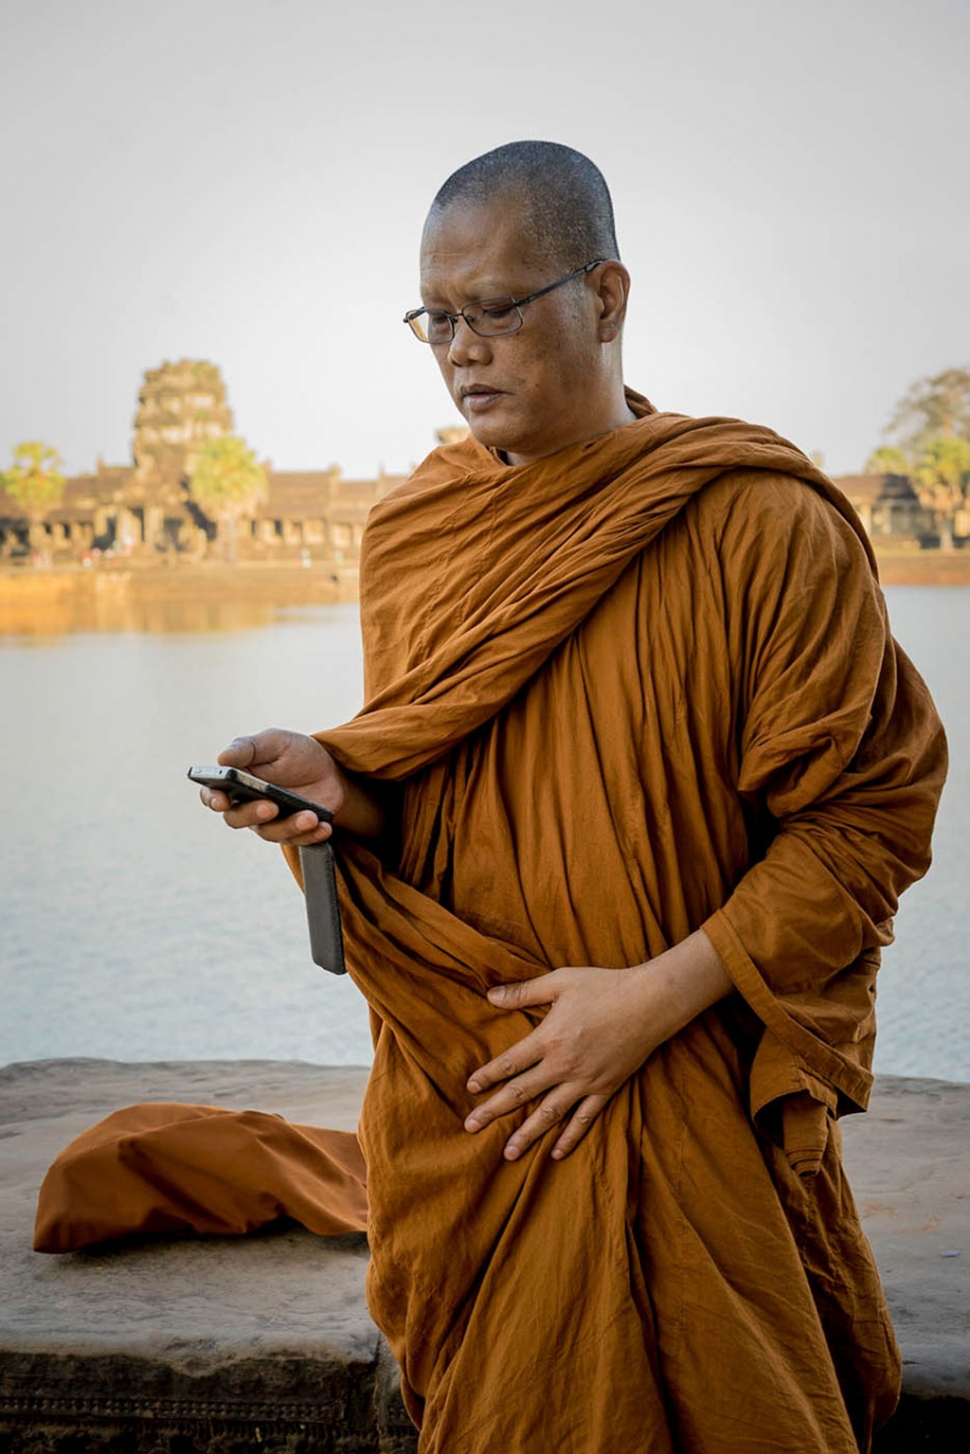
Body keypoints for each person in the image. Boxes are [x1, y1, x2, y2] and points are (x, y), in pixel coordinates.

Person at [199, 142, 946, 1453]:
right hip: (482, 1113)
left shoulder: (761, 523)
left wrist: (646, 999)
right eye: (436, 317)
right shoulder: (415, 537)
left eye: (497, 308)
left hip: (683, 1085)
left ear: (604, 295)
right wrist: (342, 788)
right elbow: (447, 814)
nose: (460, 350)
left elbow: (862, 822)